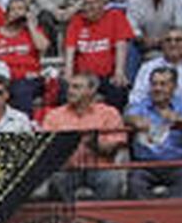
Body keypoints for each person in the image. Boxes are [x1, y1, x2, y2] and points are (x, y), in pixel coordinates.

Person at [44, 72, 127, 200]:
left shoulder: (109, 113)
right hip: (67, 169)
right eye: (70, 87)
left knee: (113, 180)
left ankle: (100, 218)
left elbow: (112, 148)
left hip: (99, 167)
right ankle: (68, 219)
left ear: (91, 90)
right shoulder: (54, 116)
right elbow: (46, 149)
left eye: (76, 87)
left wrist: (94, 143)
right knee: (56, 180)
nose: (70, 91)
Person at [124, 65, 182, 198]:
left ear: (174, 86)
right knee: (135, 184)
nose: (157, 88)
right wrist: (133, 120)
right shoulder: (141, 105)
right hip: (145, 165)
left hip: (177, 164)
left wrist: (178, 118)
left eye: (163, 84)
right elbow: (128, 115)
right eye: (154, 84)